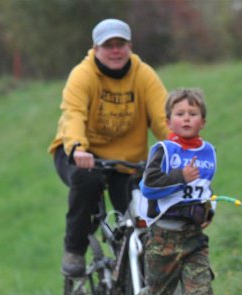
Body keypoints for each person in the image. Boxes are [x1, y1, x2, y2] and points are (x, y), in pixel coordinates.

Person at [48, 18, 169, 276]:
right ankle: (74, 249)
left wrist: (180, 148)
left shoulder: (143, 75)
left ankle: (133, 284)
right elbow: (73, 114)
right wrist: (78, 148)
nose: (115, 51)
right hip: (80, 154)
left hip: (125, 161)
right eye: (108, 45)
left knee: (135, 216)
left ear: (130, 46)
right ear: (96, 48)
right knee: (87, 183)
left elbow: (162, 117)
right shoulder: (83, 75)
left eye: (120, 44)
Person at [117, 88, 219, 295]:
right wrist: (179, 178)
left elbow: (203, 189)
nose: (186, 119)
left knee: (200, 293)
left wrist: (207, 210)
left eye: (193, 114)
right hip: (162, 235)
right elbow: (150, 186)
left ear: (202, 121)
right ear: (169, 120)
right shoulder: (164, 150)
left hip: (193, 238)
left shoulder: (208, 152)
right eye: (180, 114)